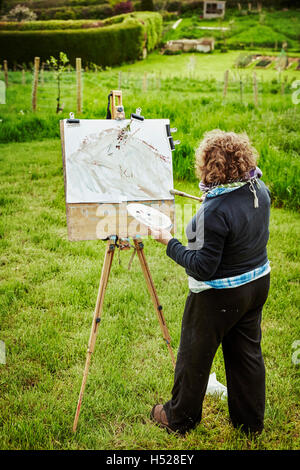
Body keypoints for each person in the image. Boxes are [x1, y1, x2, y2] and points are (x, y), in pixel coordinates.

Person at [150, 129, 271, 436]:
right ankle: (250, 423)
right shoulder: (259, 188)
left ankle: (179, 419)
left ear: (208, 166)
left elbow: (203, 268)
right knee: (247, 354)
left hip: (219, 297)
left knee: (193, 356)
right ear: (242, 159)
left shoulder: (215, 211)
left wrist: (169, 242)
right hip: (257, 285)